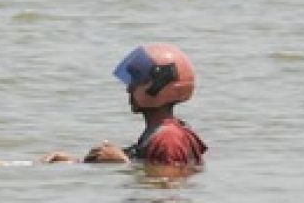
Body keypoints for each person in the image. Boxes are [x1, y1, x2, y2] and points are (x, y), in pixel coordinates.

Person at [44, 43, 207, 168]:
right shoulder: (159, 133)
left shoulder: (169, 138)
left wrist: (122, 161)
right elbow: (146, 164)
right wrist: (74, 161)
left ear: (159, 85)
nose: (129, 88)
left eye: (137, 81)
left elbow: (168, 186)